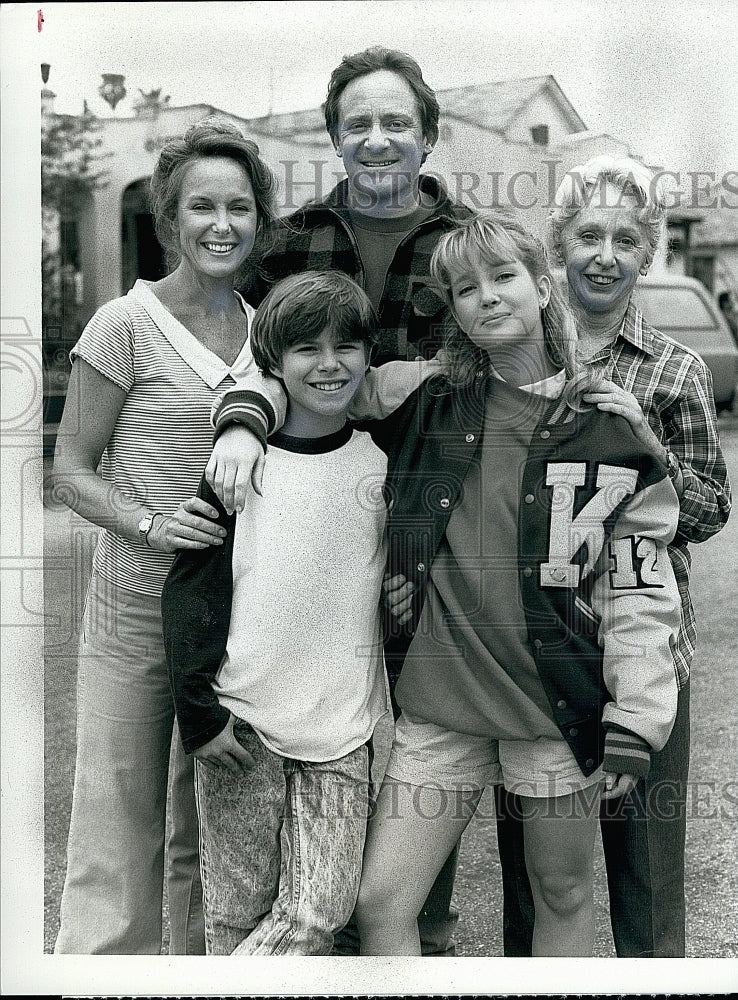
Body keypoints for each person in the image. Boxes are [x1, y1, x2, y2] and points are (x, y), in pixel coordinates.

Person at [350, 211, 682, 956]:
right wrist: (243, 420)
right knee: (380, 904)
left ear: (542, 285)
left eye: (503, 278)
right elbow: (313, 380)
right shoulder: (424, 400)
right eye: (465, 289)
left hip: (553, 712)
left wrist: (635, 718)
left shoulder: (609, 433)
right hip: (440, 710)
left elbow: (640, 590)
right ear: (455, 311)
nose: (487, 298)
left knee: (560, 892)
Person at [207, 44, 471, 957]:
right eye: (357, 122)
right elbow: (256, 359)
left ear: (427, 135)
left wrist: (425, 370)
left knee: (426, 743)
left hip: (435, 531)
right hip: (312, 514)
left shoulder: (470, 245)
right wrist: (242, 423)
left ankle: (415, 936)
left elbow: (509, 353)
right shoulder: (287, 243)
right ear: (334, 139)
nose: (377, 138)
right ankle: (292, 937)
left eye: (396, 120)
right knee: (303, 723)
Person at [495, 156, 732, 958]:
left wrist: (646, 443)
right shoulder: (519, 350)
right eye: (587, 234)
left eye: (624, 239)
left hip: (648, 658)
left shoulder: (676, 370)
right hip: (533, 652)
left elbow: (706, 512)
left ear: (646, 254)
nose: (603, 253)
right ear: (557, 246)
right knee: (533, 883)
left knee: (646, 879)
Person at [50, 118, 276, 954]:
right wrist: (148, 521)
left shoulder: (269, 329)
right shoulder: (124, 323)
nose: (223, 225)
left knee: (204, 833)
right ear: (169, 220)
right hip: (136, 605)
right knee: (118, 819)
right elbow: (69, 471)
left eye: (241, 208)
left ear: (260, 219)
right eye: (202, 208)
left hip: (231, 620)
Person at [161, 271, 392, 955]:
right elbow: (192, 594)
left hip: (342, 731)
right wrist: (200, 716)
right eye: (305, 350)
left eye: (345, 346)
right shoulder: (238, 465)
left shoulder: (381, 464)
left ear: (366, 354)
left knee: (319, 912)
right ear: (274, 364)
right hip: (242, 727)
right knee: (235, 915)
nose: (328, 364)